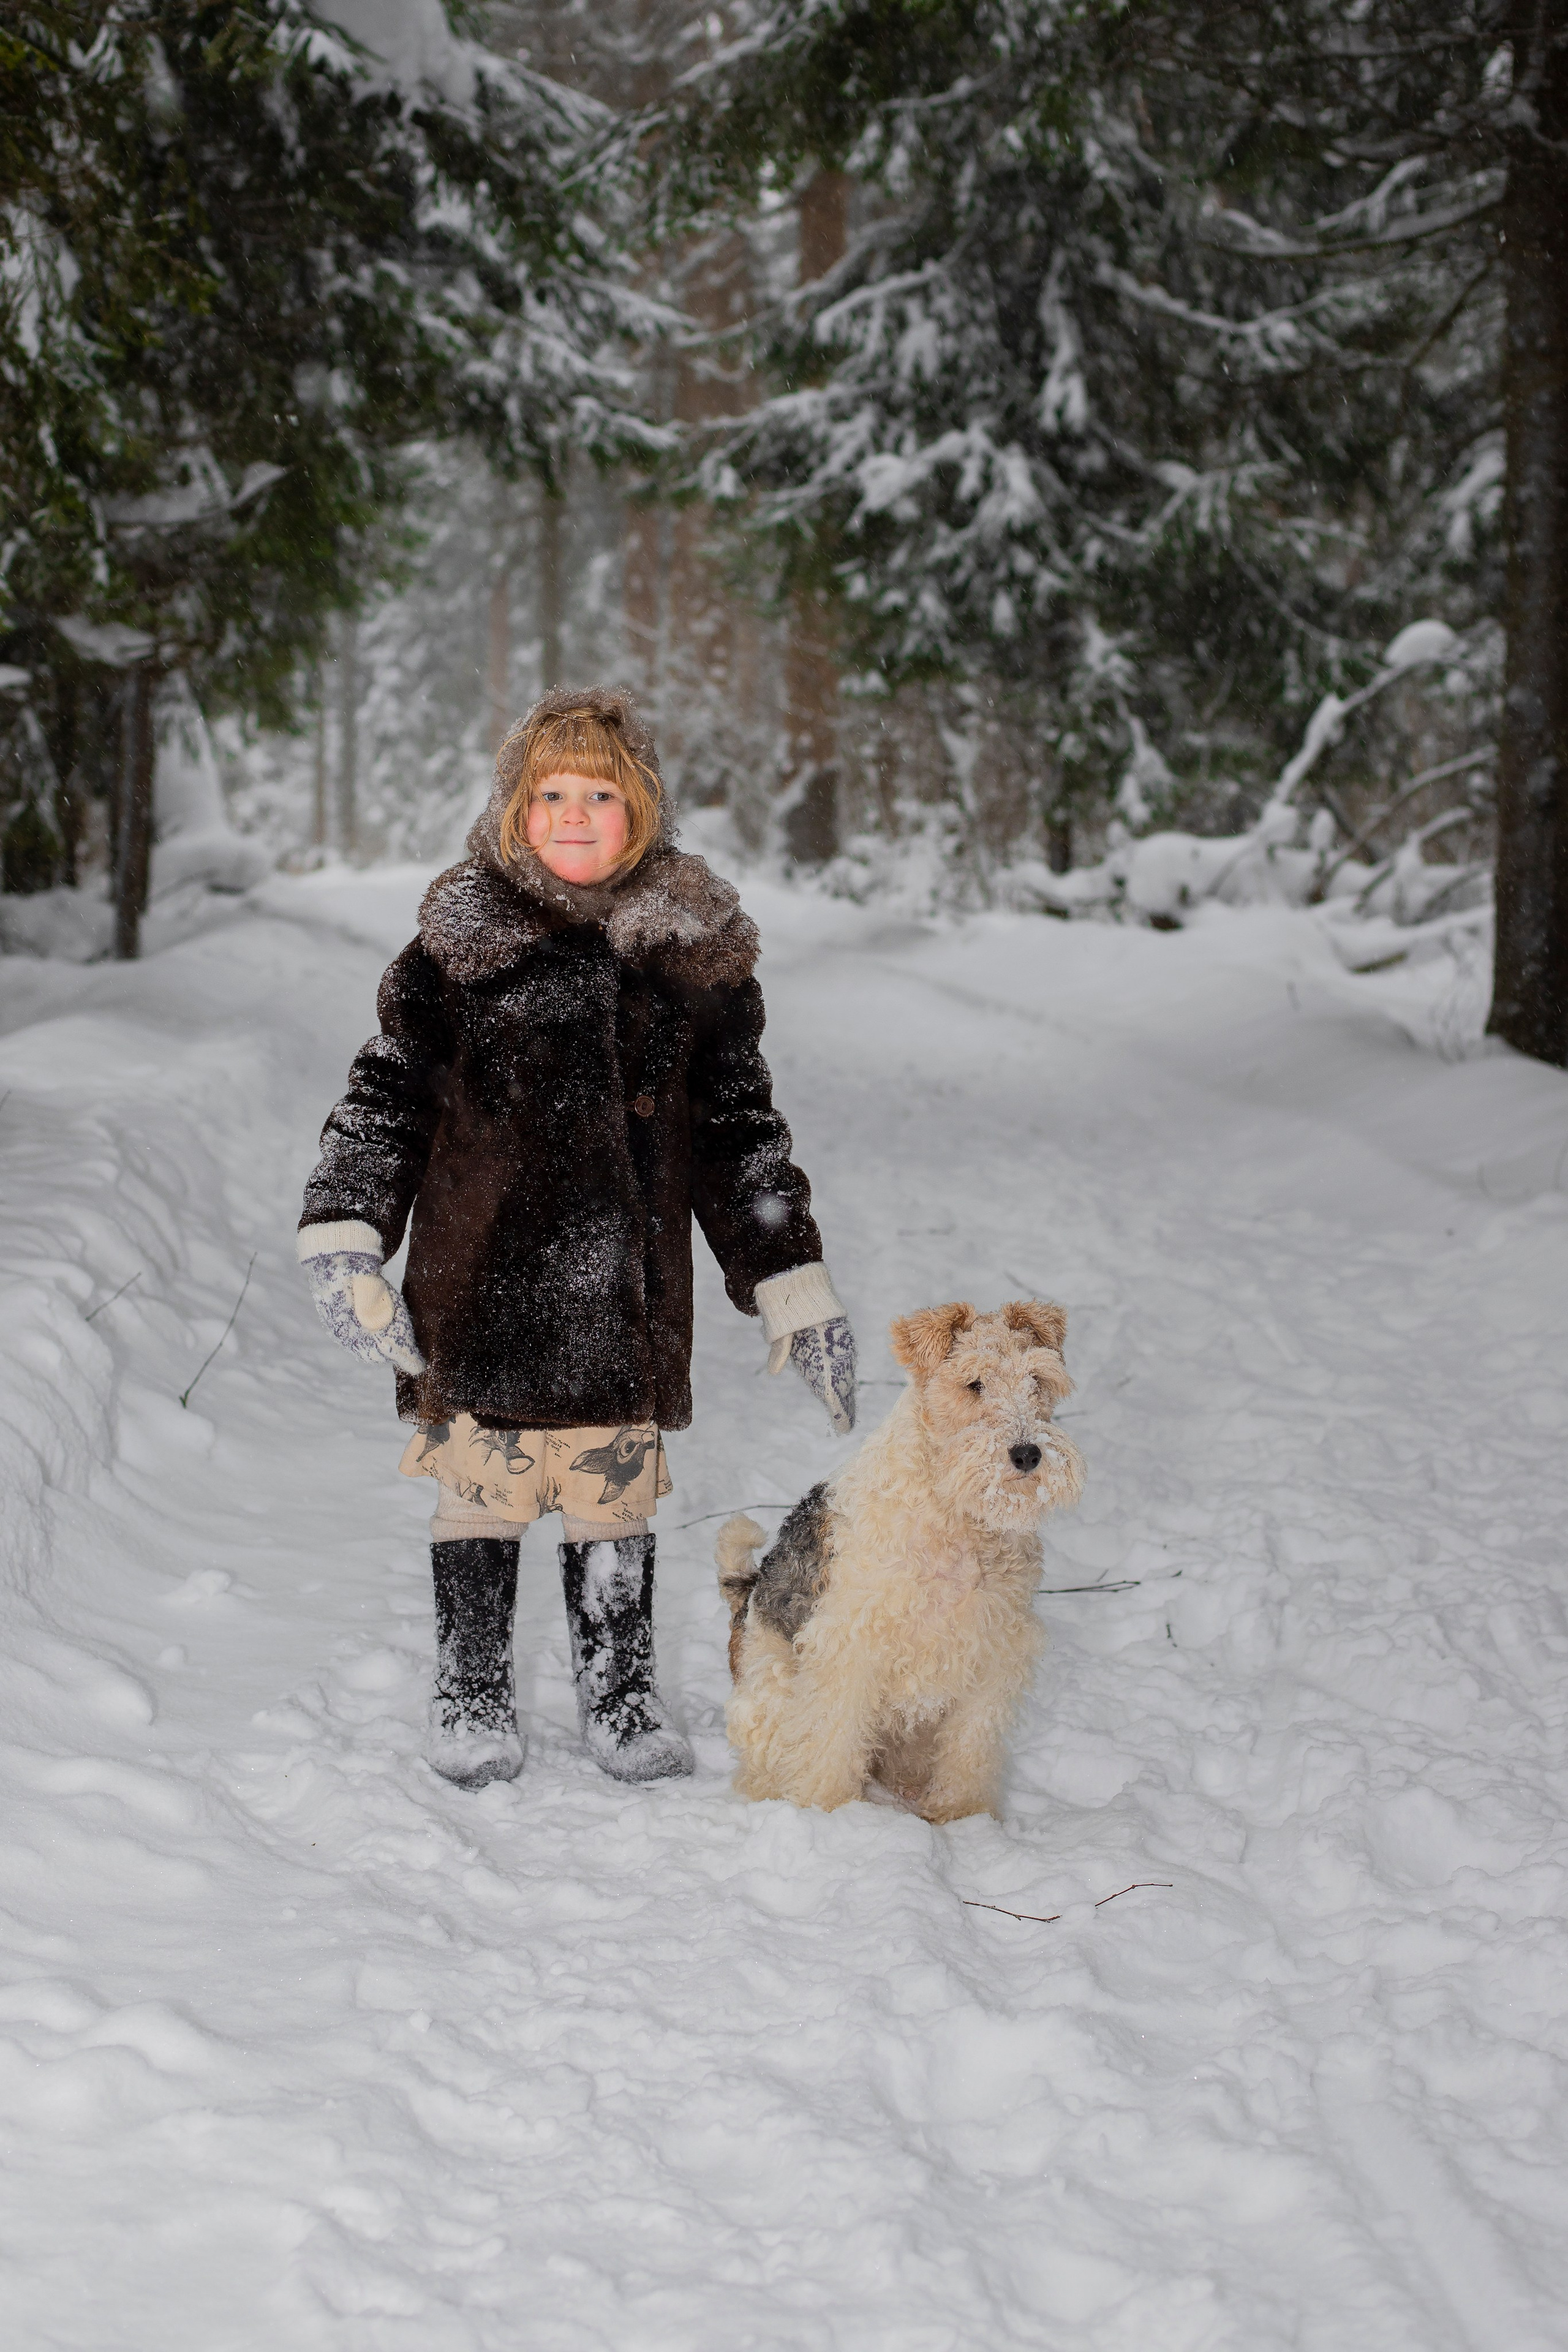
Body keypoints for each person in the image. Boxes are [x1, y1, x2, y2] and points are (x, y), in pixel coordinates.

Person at [296, 685, 856, 1792]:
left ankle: (621, 1681)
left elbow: (737, 1135)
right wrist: (348, 1231)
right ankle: (472, 1682)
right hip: (481, 1285)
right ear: (513, 808)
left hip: (624, 1296)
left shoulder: (691, 966)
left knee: (615, 1495)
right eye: (550, 792)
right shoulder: (454, 955)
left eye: (600, 793)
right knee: (483, 1492)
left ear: (641, 810)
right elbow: (384, 1101)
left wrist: (788, 1275)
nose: (572, 814)